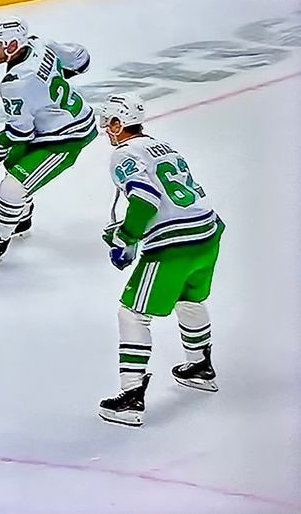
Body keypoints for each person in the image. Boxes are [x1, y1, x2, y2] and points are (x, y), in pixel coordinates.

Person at [97, 94, 224, 427]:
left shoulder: (123, 154)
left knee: (133, 313)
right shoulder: (162, 146)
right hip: (208, 233)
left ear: (116, 123)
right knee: (189, 298)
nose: (106, 131)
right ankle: (199, 366)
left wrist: (126, 238)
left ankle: (131, 398)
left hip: (174, 247)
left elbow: (146, 198)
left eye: (108, 122)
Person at [0, 16, 96, 268]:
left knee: (12, 187)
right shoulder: (41, 44)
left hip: (66, 137)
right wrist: (49, 82)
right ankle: (22, 216)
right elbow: (81, 60)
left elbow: (20, 133)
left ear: (12, 45)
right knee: (15, 159)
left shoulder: (15, 84)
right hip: (54, 123)